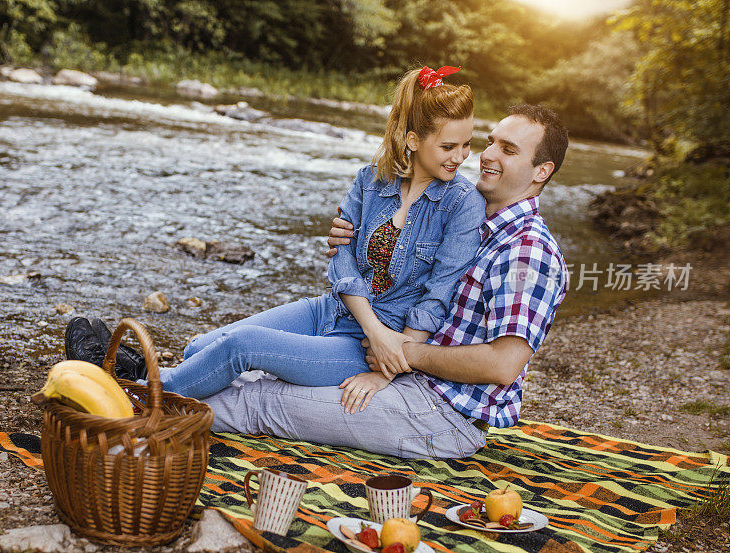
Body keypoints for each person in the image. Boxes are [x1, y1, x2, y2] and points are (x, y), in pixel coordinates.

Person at [66, 65, 485, 401]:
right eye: (449, 147)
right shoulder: (372, 179)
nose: (462, 157)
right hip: (333, 311)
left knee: (240, 347)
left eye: (466, 145)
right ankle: (141, 372)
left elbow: (437, 296)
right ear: (412, 140)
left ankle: (134, 394)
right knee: (201, 347)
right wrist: (371, 327)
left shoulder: (463, 204)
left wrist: (388, 366)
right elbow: (340, 258)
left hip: (371, 346)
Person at [188, 105, 569, 459]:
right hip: (391, 358)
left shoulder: (528, 252)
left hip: (439, 411)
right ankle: (149, 389)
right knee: (209, 355)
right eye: (490, 143)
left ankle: (140, 410)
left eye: (509, 149)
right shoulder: (471, 218)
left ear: (541, 171)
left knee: (258, 400)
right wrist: (353, 239)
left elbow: (503, 365)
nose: (487, 156)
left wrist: (399, 358)